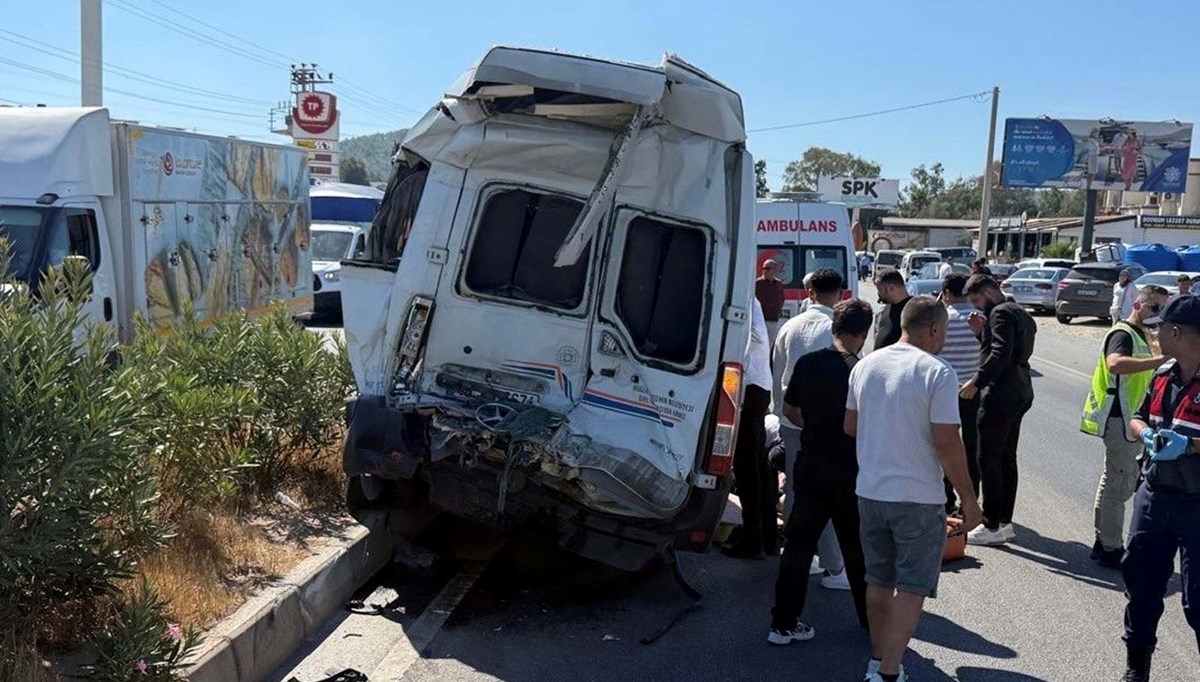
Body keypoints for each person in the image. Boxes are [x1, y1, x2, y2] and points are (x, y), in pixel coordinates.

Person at [845, 297, 982, 682]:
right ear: (935, 329)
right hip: (918, 497)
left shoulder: (866, 365)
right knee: (911, 586)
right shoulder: (938, 372)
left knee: (878, 580)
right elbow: (947, 442)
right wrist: (969, 499)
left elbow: (850, 426)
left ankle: (877, 661)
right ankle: (890, 670)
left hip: (871, 492)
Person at [768, 299, 874, 646]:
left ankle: (783, 625)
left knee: (798, 547)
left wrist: (814, 426)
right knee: (856, 548)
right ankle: (870, 620)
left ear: (834, 328)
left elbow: (789, 409)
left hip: (812, 465)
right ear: (863, 333)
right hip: (849, 470)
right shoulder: (862, 371)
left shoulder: (808, 363)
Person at [1122, 295, 1200, 681]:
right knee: (1142, 585)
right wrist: (1146, 434)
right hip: (1154, 497)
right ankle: (1137, 669)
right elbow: (1137, 417)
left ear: (1176, 332)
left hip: (1197, 504)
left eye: (1159, 331)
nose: (1155, 337)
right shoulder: (1164, 373)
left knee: (1198, 602)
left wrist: (1191, 445)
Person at [1080, 285, 1168, 568]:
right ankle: (1111, 549)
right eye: (1155, 307)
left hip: (1130, 418)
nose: (1158, 314)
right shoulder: (1123, 334)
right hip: (1121, 418)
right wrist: (1159, 360)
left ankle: (1104, 540)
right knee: (1118, 487)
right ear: (1138, 305)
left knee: (1112, 482)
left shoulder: (1144, 334)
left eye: (1163, 309)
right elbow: (1115, 364)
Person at [772, 267, 847, 579]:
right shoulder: (837, 330)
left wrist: (781, 414)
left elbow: (778, 375)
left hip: (791, 422)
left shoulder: (790, 327)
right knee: (829, 493)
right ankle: (833, 564)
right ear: (840, 294)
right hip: (828, 427)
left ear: (809, 292)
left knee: (795, 489)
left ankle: (796, 555)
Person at [960, 275, 1037, 546]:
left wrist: (976, 382)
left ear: (990, 292)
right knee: (1006, 457)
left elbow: (1001, 354)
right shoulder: (1019, 312)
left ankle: (991, 523)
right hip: (1020, 387)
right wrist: (981, 333)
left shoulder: (1000, 313)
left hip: (1001, 391)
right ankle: (1004, 522)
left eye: (977, 300)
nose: (976, 307)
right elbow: (1009, 348)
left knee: (988, 457)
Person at [724, 298, 777, 559]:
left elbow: (751, 334)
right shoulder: (749, 298)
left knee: (747, 468)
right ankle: (767, 537)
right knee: (757, 467)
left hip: (750, 388)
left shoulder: (744, 297)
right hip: (757, 386)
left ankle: (754, 539)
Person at [939, 273, 983, 512]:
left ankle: (947, 500)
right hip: (973, 390)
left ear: (947, 294)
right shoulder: (980, 318)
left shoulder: (942, 320)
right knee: (971, 447)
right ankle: (971, 500)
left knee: (946, 445)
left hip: (945, 392)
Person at [873, 270, 912, 349]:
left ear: (890, 288)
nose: (879, 296)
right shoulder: (883, 311)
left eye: (879, 290)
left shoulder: (915, 310)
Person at [756, 260, 786, 347]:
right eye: (764, 268)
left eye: (768, 268)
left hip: (773, 319)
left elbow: (781, 299)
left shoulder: (778, 283)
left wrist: (778, 310)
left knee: (771, 343)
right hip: (760, 319)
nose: (765, 270)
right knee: (760, 344)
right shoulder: (758, 283)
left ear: (775, 270)